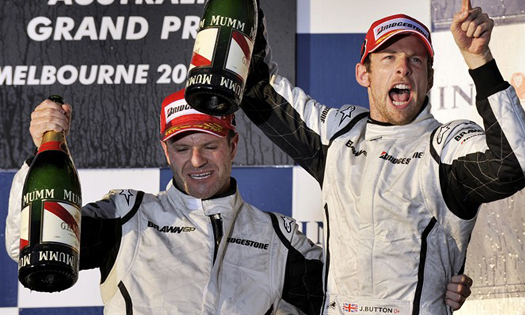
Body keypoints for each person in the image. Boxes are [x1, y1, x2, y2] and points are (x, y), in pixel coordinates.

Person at [222, 0, 525, 315]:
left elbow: (516, 162)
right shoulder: (336, 133)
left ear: (430, 79)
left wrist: (479, 59)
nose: (403, 69)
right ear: (364, 74)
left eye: (416, 60)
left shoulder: (446, 146)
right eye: (388, 58)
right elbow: (256, 88)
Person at [5, 89, 325, 314]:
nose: (197, 161)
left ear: (233, 145)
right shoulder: (127, 214)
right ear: (165, 151)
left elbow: (348, 297)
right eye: (183, 149)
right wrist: (40, 152)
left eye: (210, 146)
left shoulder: (278, 237)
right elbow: (25, 245)